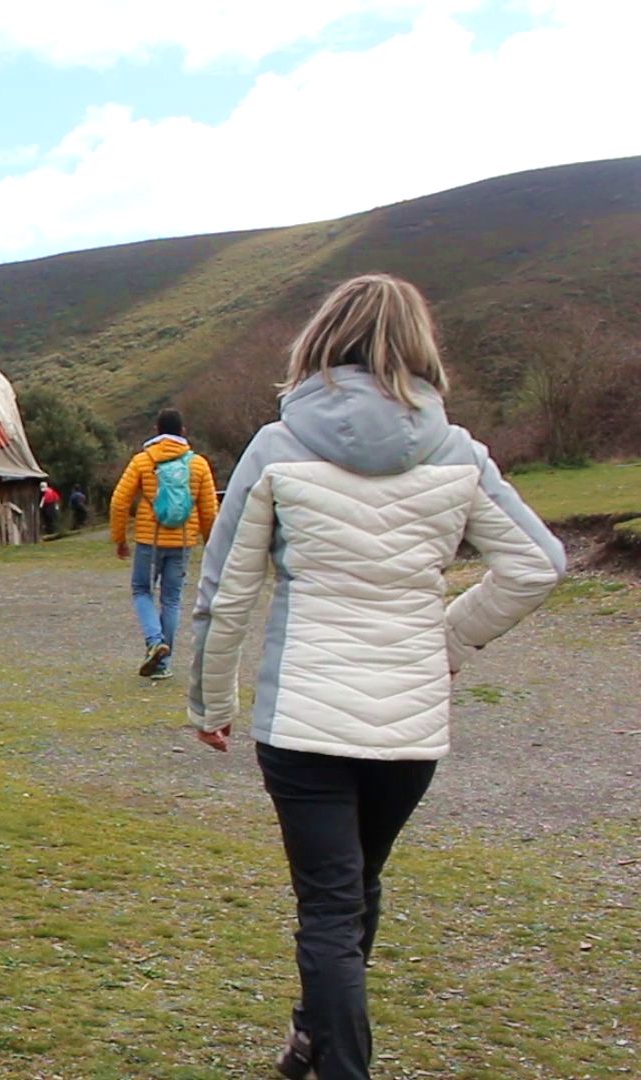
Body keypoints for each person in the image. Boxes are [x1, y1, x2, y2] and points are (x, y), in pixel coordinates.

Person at [186, 274, 564, 1080]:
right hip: (409, 728)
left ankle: (338, 1066)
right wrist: (446, 640)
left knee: (329, 902)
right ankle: (310, 1041)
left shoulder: (277, 446)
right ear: (421, 347)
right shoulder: (458, 453)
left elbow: (228, 591)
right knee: (356, 888)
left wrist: (212, 701)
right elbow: (537, 564)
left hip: (304, 722)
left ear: (321, 339)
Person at [109, 408, 219, 679]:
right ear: (183, 432)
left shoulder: (143, 461)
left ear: (157, 430)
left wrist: (120, 539)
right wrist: (210, 544)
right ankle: (162, 664)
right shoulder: (198, 464)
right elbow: (209, 510)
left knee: (141, 590)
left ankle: (155, 641)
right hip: (183, 542)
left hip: (149, 540)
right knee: (171, 599)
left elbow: (119, 502)